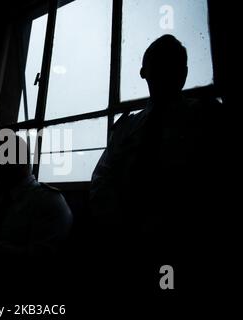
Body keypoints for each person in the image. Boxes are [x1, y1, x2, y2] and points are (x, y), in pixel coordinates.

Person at [89, 35, 219, 251]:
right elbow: (102, 180)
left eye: (171, 64)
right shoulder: (125, 127)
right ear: (144, 72)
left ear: (183, 73)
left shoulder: (208, 116)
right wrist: (119, 224)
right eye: (158, 64)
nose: (165, 72)